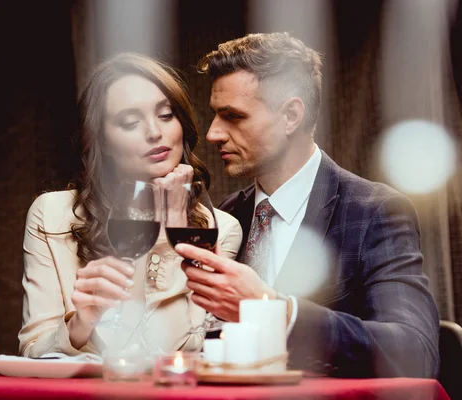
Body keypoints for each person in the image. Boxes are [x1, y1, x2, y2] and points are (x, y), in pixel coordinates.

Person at [173, 32, 439, 378]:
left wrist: (278, 312)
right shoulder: (228, 215)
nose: (213, 133)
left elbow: (415, 352)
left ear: (291, 116)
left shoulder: (376, 211)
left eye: (233, 116)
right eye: (215, 115)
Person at [18, 53, 242, 358]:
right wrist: (81, 322)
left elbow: (183, 348)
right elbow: (33, 349)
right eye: (130, 122)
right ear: (103, 141)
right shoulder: (51, 214)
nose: (154, 132)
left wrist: (174, 225)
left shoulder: (221, 228)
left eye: (166, 115)